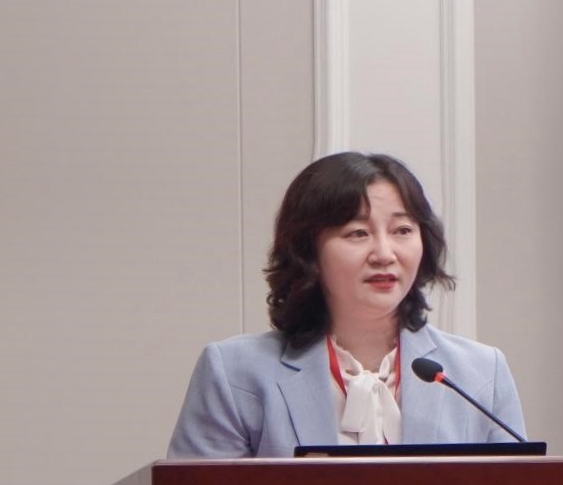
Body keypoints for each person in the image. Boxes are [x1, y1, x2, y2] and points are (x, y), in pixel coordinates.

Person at [168, 152, 525, 458]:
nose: (384, 254)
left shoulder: (479, 374)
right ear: (308, 251)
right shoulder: (236, 374)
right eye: (358, 233)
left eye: (402, 230)